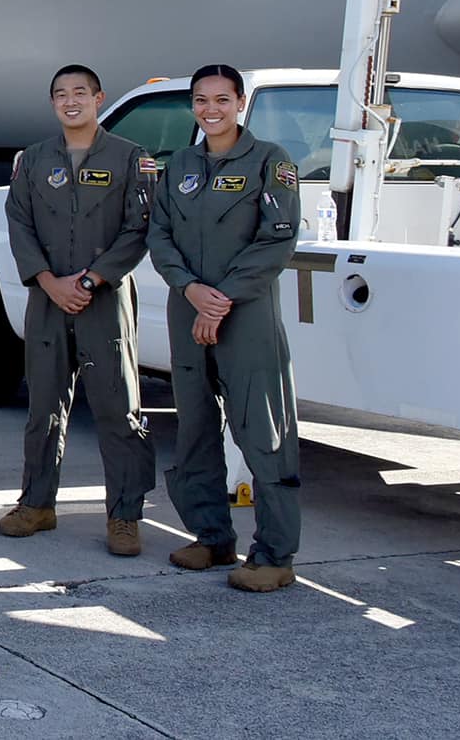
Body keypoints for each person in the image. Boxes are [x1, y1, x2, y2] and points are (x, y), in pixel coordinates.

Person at [149, 63, 302, 591]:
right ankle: (212, 536)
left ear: (240, 103)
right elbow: (160, 234)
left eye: (221, 99)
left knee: (261, 430)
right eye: (200, 100)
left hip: (247, 314)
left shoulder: (270, 162)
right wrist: (191, 291)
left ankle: (275, 554)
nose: (210, 110)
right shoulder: (181, 165)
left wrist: (221, 300)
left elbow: (277, 238)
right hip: (187, 307)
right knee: (193, 427)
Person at [0, 64, 156, 556]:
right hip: (47, 300)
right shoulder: (33, 159)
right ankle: (38, 503)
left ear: (98, 98)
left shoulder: (131, 158)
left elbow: (138, 230)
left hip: (104, 300)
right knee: (43, 406)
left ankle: (125, 515)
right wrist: (49, 282)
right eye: (61, 94)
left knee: (117, 407)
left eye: (80, 93)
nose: (71, 101)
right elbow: (19, 224)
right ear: (53, 104)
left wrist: (89, 280)